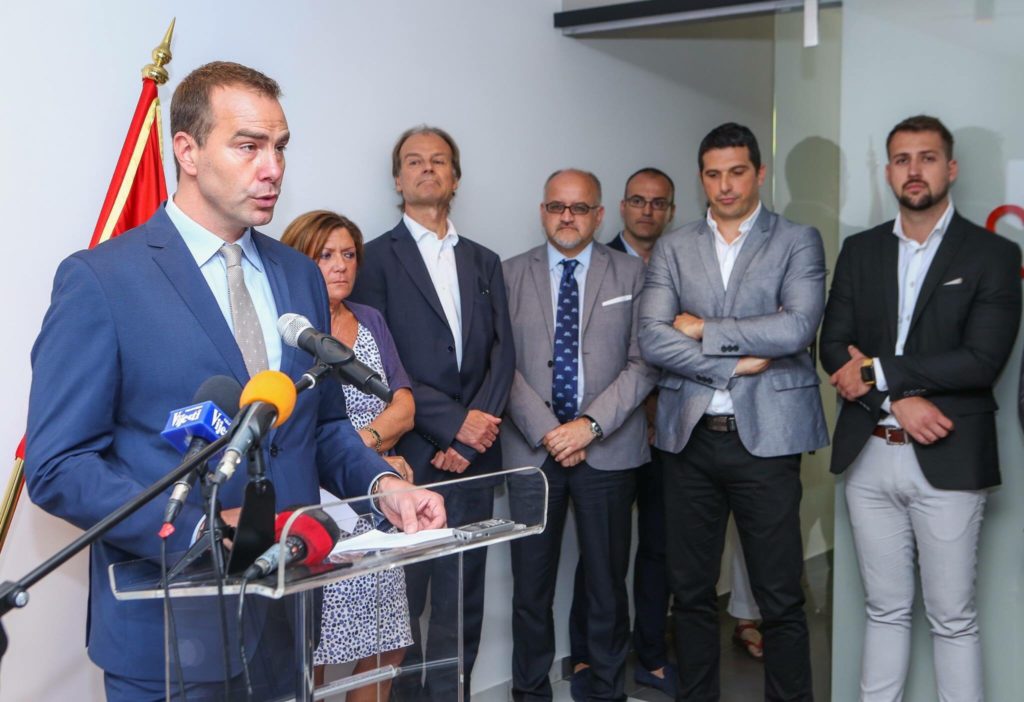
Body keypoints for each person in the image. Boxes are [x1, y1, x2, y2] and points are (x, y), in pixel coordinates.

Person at [23, 62, 444, 702]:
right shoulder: (103, 281)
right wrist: (201, 533)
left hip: (285, 619)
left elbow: (323, 425)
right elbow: (59, 465)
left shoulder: (298, 275)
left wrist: (383, 486)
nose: (272, 168)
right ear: (187, 151)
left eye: (280, 147)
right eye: (249, 146)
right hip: (168, 633)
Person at [821, 115, 1021, 702]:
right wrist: (898, 400)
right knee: (883, 610)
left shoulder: (993, 254)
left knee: (952, 618)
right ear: (888, 172)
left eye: (927, 158)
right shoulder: (860, 250)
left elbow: (980, 361)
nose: (914, 170)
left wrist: (880, 373)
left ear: (950, 168)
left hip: (949, 454)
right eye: (902, 159)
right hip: (869, 456)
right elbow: (833, 346)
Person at [639, 122, 827, 701]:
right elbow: (652, 336)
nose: (725, 185)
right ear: (702, 178)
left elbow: (797, 326)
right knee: (691, 592)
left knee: (779, 596)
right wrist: (734, 362)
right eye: (714, 174)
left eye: (737, 172)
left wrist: (705, 330)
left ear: (759, 173)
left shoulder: (796, 239)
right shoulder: (674, 247)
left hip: (768, 438)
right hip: (690, 439)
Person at [348, 125, 515, 700]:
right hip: (409, 458)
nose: (427, 169)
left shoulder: (484, 260)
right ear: (398, 179)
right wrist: (448, 425)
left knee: (462, 596)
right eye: (414, 161)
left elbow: (503, 354)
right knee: (403, 599)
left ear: (455, 178)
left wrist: (469, 436)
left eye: (438, 161)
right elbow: (378, 359)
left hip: (475, 457)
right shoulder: (373, 259)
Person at [503, 168, 657, 702]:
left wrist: (587, 427)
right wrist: (551, 432)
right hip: (532, 453)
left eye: (579, 207)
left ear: (599, 214)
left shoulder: (634, 274)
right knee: (530, 590)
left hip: (609, 450)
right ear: (543, 211)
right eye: (556, 207)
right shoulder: (508, 273)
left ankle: (606, 693)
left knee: (607, 588)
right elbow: (500, 363)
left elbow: (644, 362)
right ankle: (530, 693)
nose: (567, 217)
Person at [281, 210, 417, 700]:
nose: (340, 265)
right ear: (299, 262)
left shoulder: (369, 319)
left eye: (348, 254)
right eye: (325, 255)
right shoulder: (290, 330)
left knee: (386, 642)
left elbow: (404, 405)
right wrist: (368, 459)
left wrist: (365, 454)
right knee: (313, 652)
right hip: (316, 508)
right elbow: (293, 430)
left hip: (375, 507)